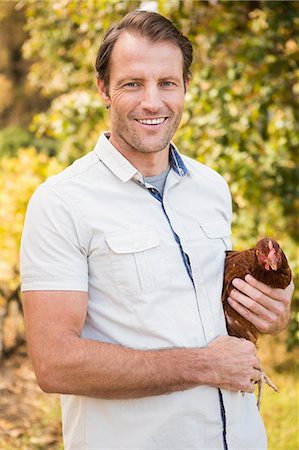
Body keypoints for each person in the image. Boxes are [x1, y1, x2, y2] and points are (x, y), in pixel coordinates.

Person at [20, 10, 294, 450]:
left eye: (167, 83)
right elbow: (55, 363)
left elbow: (204, 313)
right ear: (103, 89)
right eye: (132, 83)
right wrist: (202, 366)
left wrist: (268, 314)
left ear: (185, 86)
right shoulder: (62, 203)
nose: (153, 101)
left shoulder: (211, 188)